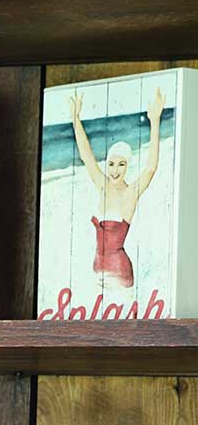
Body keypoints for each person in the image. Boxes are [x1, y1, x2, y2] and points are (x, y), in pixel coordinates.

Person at [69, 85, 164, 296]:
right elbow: (86, 155)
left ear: (127, 166)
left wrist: (155, 121)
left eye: (121, 164)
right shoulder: (102, 186)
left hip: (119, 274)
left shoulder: (130, 193)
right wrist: (76, 119)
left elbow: (150, 167)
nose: (115, 170)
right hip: (97, 270)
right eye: (111, 164)